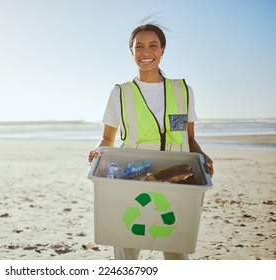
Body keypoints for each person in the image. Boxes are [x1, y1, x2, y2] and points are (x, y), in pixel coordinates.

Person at [88, 22, 214, 260]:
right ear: (132, 52)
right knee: (127, 249)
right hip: (133, 180)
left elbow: (189, 138)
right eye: (139, 47)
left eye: (153, 45)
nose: (146, 52)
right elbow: (107, 138)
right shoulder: (120, 93)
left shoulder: (183, 90)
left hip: (176, 179)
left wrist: (203, 157)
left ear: (163, 51)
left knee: (176, 249)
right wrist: (97, 152)